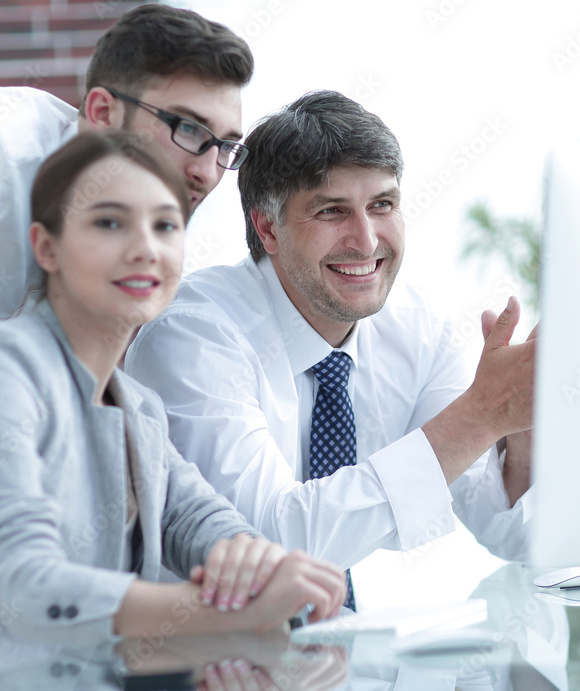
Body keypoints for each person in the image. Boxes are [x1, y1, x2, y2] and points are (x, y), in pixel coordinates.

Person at [0, 132, 346, 687]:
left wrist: (258, 566)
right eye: (109, 223)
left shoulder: (137, 406)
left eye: (165, 225)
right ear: (46, 247)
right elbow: (28, 586)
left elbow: (194, 517)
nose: (145, 247)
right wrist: (240, 616)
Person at [0, 3, 253, 576]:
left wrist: (241, 553)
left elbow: (125, 423)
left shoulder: (134, 251)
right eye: (188, 129)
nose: (206, 172)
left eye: (225, 146)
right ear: (102, 111)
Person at [125, 91, 536, 608]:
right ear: (267, 227)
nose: (365, 241)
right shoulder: (192, 337)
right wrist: (482, 415)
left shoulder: (415, 326)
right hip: (199, 663)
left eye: (382, 205)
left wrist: (517, 426)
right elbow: (268, 548)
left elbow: (510, 531)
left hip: (334, 661)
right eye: (332, 211)